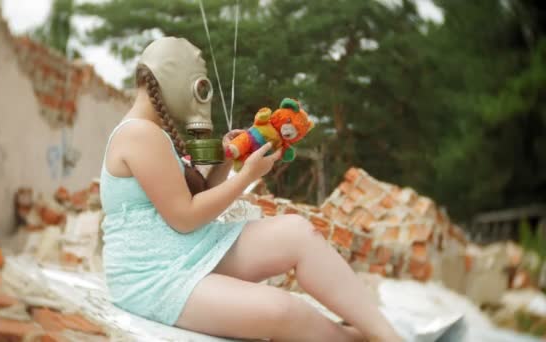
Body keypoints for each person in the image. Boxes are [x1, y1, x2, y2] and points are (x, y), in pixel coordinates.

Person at [100, 37, 401, 342]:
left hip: (186, 249)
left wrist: (226, 159)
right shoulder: (140, 134)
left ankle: (385, 334)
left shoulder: (153, 132)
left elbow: (192, 200)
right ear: (175, 77)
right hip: (154, 277)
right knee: (282, 311)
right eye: (200, 86)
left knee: (297, 233)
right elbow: (186, 216)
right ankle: (356, 338)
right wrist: (247, 177)